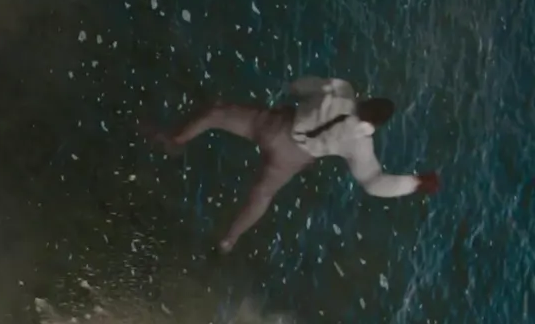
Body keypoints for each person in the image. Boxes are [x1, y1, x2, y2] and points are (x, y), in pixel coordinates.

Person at [146, 76, 440, 254]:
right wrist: (415, 183)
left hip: (275, 125)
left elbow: (300, 85)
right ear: (375, 125)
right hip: (293, 158)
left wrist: (293, 91)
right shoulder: (360, 145)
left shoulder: (341, 90)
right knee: (262, 195)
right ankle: (228, 241)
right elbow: (374, 183)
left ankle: (176, 139)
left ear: (367, 99)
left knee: (217, 113)